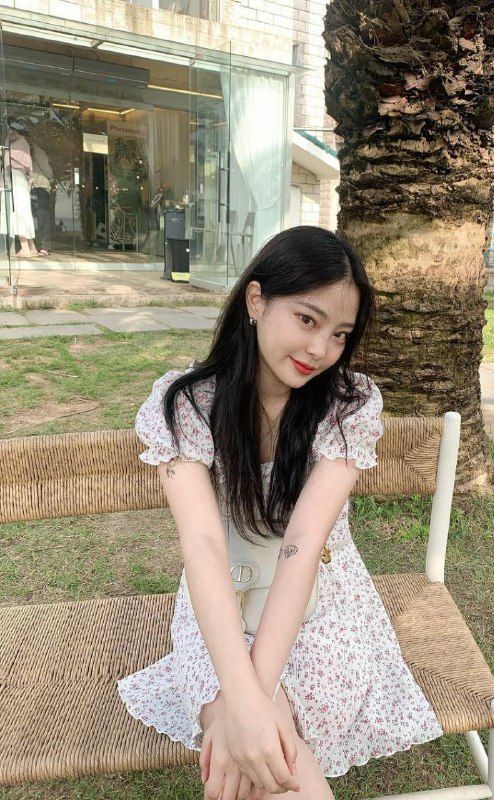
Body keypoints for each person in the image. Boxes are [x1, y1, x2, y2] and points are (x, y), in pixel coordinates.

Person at [117, 226, 443, 800]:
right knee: (258, 736)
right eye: (307, 319)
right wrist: (247, 700)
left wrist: (249, 701)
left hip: (319, 598)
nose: (320, 350)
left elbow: (303, 546)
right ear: (256, 300)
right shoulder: (187, 405)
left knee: (255, 738)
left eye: (339, 334)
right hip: (222, 596)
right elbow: (203, 545)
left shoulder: (347, 406)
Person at [5, 122, 38, 257]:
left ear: (16, 132)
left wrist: (6, 143)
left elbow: (7, 157)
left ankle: (25, 248)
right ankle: (31, 247)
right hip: (21, 180)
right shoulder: (24, 144)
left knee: (18, 212)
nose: (10, 134)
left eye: (12, 132)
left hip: (16, 180)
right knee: (23, 212)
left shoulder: (19, 144)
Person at [30, 141, 54, 256]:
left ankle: (45, 246)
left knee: (42, 217)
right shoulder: (32, 149)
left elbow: (46, 168)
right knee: (40, 217)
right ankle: (42, 246)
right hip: (36, 186)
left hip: (39, 186)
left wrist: (52, 178)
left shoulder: (36, 150)